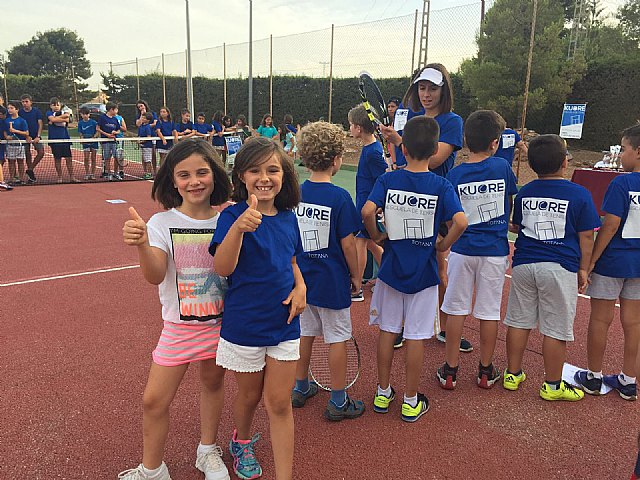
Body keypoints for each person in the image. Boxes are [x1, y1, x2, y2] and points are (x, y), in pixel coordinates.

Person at [119, 139, 233, 480]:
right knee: (154, 400)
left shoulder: (228, 219)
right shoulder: (160, 223)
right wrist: (142, 245)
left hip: (221, 325)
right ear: (172, 180)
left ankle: (207, 451)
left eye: (202, 172)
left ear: (215, 175)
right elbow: (155, 275)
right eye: (184, 175)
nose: (194, 181)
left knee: (212, 385)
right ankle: (153, 470)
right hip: (179, 329)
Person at [210, 137, 305, 480]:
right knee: (249, 396)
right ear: (241, 177)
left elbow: (291, 260)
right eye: (254, 170)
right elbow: (223, 267)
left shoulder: (289, 218)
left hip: (285, 323)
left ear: (284, 175)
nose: (264, 178)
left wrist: (301, 286)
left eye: (272, 170)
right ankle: (242, 440)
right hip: (245, 325)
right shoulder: (232, 216)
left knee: (279, 402)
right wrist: (239, 228)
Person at [364, 116, 467, 422]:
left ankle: (383, 392)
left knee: (388, 331)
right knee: (416, 336)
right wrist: (443, 244)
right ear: (435, 150)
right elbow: (461, 221)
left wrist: (376, 235)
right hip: (424, 273)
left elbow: (367, 211)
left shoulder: (388, 180)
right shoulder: (441, 185)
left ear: (404, 149)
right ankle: (410, 400)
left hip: (391, 270)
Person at [380, 63, 469, 353]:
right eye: (422, 88)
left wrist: (398, 140)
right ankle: (399, 326)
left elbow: (434, 159)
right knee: (402, 259)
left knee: (439, 269)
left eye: (432, 88)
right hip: (407, 200)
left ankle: (443, 328)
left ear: (444, 91)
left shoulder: (452, 121)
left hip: (435, 202)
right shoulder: (411, 117)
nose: (426, 94)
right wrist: (396, 150)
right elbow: (405, 159)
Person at [503, 134, 600, 401]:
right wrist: (584, 269)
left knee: (519, 321)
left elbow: (517, 225)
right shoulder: (579, 194)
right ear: (564, 163)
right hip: (560, 266)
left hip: (524, 264)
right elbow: (587, 236)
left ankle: (512, 374)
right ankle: (553, 385)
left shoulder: (525, 192)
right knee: (556, 328)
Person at [436, 110, 518, 390]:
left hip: (463, 250)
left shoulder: (455, 175)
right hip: (494, 251)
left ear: (465, 140)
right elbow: (508, 201)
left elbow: (451, 217)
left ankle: (450, 370)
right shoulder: (502, 167)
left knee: (456, 309)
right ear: (495, 143)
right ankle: (485, 370)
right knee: (489, 311)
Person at [292, 121, 365, 421]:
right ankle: (338, 400)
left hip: (301, 281)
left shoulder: (294, 194)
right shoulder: (340, 198)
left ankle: (299, 387)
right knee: (337, 338)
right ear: (336, 160)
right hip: (332, 281)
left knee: (304, 334)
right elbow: (348, 244)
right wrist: (356, 276)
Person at [574, 123, 640, 401]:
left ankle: (593, 376)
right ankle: (629, 380)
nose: (620, 155)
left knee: (601, 319)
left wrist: (590, 262)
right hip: (638, 265)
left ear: (638, 151)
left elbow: (610, 224)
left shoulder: (622, 183)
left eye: (624, 149)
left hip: (613, 261)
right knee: (634, 323)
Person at [349, 104, 386, 303]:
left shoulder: (372, 152)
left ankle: (357, 288)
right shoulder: (371, 148)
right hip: (364, 203)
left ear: (359, 127)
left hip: (367, 205)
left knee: (360, 243)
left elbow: (382, 179)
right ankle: (387, 276)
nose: (349, 128)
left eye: (351, 125)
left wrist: (377, 205)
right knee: (371, 243)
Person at [47, 98, 77, 183]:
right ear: (51, 106)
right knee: (57, 159)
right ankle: (60, 177)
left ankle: (72, 177)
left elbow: (67, 118)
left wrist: (56, 118)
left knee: (69, 159)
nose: (56, 106)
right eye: (54, 105)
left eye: (58, 105)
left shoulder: (64, 112)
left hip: (65, 139)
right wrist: (55, 119)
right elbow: (53, 120)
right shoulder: (48, 113)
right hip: (54, 140)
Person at [19, 94, 44, 183]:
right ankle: (31, 176)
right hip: (25, 136)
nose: (24, 103)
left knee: (41, 152)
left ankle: (30, 169)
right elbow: (20, 124)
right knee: (27, 154)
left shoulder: (37, 111)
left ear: (31, 102)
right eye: (23, 102)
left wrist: (38, 136)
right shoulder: (20, 112)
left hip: (35, 135)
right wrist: (26, 136)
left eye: (26, 101)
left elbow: (40, 124)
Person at [4, 101, 29, 185]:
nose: (9, 110)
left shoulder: (22, 121)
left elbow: (26, 133)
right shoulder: (6, 121)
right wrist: (7, 137)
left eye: (12, 108)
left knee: (20, 162)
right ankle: (12, 179)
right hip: (10, 145)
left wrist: (15, 131)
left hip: (20, 145)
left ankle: (21, 179)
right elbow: (4, 131)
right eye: (8, 108)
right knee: (11, 162)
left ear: (17, 109)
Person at [97, 102, 122, 181]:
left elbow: (118, 130)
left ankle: (116, 173)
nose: (117, 111)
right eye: (116, 109)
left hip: (114, 141)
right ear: (111, 109)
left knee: (116, 157)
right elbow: (98, 128)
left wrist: (115, 132)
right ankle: (109, 173)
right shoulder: (102, 118)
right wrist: (107, 135)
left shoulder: (115, 119)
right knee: (107, 158)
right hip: (105, 142)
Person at [135, 100, 158, 175]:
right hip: (142, 137)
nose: (140, 108)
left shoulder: (153, 113)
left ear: (145, 105)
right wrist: (142, 116)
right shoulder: (139, 116)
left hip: (152, 137)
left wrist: (146, 126)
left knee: (153, 154)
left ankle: (154, 170)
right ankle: (145, 171)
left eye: (141, 106)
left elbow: (155, 123)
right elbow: (138, 124)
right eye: (139, 107)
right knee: (144, 155)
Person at [77, 106, 99, 180]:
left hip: (94, 143)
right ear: (81, 114)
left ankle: (92, 174)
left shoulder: (94, 122)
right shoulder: (80, 123)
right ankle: (87, 173)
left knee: (93, 158)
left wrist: (94, 137)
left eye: (86, 114)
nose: (85, 115)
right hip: (85, 143)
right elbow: (80, 133)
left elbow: (98, 131)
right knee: (86, 158)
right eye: (83, 114)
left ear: (89, 114)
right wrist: (82, 139)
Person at [138, 112, 155, 180]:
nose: (142, 119)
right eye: (142, 117)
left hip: (148, 146)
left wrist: (141, 141)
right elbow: (139, 136)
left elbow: (148, 137)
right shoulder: (141, 126)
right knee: (145, 160)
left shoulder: (148, 127)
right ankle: (146, 172)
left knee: (148, 160)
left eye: (144, 118)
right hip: (143, 147)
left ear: (148, 120)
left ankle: (149, 173)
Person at [115, 105, 128, 179]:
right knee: (110, 156)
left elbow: (125, 129)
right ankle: (109, 172)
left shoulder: (120, 118)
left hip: (119, 139)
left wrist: (118, 125)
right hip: (110, 139)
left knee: (120, 156)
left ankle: (121, 171)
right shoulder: (107, 118)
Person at [0, 106, 12, 190]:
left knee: (2, 161)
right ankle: (1, 182)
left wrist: (8, 137)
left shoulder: (3, 122)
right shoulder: (2, 122)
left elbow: (5, 134)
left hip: (2, 144)